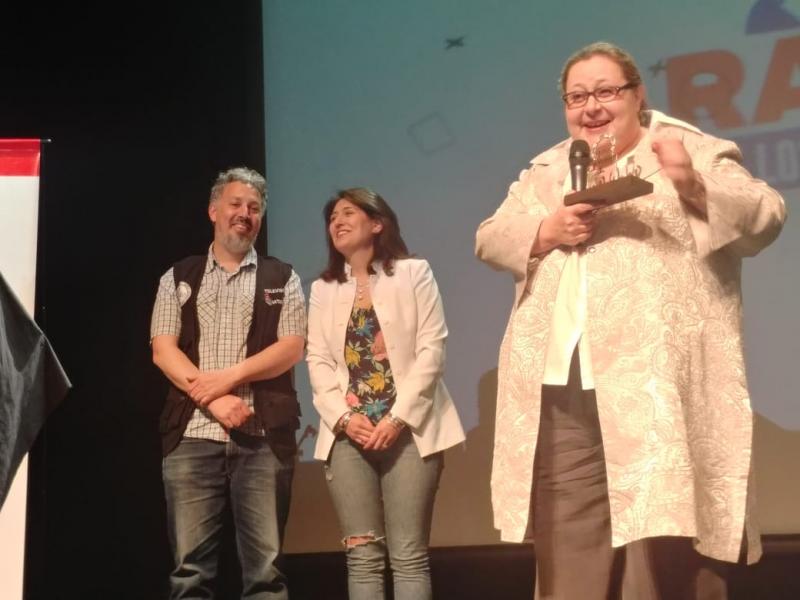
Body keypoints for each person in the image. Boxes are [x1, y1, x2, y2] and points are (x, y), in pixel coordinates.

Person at [475, 42, 785, 599]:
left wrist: (692, 184)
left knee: (662, 539)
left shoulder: (688, 146)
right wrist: (547, 231)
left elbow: (766, 214)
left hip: (655, 382)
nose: (591, 107)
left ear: (637, 95)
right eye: (577, 96)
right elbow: (490, 236)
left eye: (605, 91)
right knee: (568, 542)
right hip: (564, 381)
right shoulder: (547, 170)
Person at [150, 167, 306, 599]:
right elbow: (163, 350)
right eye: (236, 204)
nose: (245, 214)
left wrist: (230, 377)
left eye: (254, 208)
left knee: (266, 575)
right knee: (190, 574)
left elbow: (292, 347)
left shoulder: (282, 278)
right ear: (213, 210)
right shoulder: (179, 276)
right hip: (193, 437)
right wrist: (216, 402)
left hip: (261, 439)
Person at [306, 188, 465, 600]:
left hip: (409, 430)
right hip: (348, 434)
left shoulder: (413, 273)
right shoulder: (324, 288)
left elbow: (433, 349)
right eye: (332, 217)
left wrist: (396, 418)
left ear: (377, 223)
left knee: (408, 557)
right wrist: (342, 417)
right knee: (362, 559)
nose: (336, 221)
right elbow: (318, 361)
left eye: (348, 213)